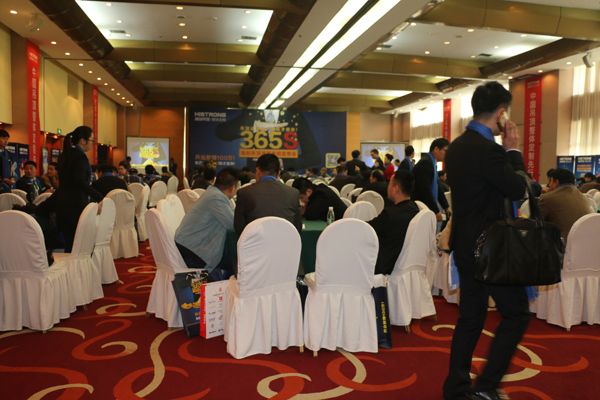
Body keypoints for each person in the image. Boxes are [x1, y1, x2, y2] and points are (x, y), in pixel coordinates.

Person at [443, 81, 528, 400]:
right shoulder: (490, 151)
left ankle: (456, 387)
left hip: (465, 245)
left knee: (471, 317)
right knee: (517, 314)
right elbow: (518, 189)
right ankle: (487, 386)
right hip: (491, 249)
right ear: (501, 113)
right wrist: (513, 151)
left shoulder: (456, 147)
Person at [175, 167, 240, 280]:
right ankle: (203, 287)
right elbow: (232, 224)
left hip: (189, 243)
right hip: (191, 249)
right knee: (234, 259)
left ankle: (220, 283)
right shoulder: (216, 198)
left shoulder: (213, 193)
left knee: (231, 257)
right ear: (233, 187)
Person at [53, 126, 102, 252]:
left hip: (63, 203)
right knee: (78, 246)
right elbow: (80, 182)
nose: (92, 144)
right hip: (75, 205)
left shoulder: (65, 154)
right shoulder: (80, 157)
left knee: (69, 245)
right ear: (83, 141)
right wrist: (98, 196)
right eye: (91, 140)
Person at [234, 153, 301, 235]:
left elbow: (239, 228)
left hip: (254, 242)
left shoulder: (244, 193)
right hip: (285, 241)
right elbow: (297, 228)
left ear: (257, 170)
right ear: (278, 173)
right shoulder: (293, 193)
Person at [368, 169, 420, 275]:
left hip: (385, 267)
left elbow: (367, 229)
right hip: (406, 265)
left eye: (390, 184)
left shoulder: (390, 214)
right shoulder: (416, 210)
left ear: (396, 188)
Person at [539, 168, 594, 240]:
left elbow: (536, 221)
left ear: (556, 182)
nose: (549, 185)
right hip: (587, 241)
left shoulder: (548, 198)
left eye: (550, 181)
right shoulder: (583, 196)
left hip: (564, 244)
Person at [413, 138, 450, 221]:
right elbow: (424, 190)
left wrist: (446, 206)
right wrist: (436, 211)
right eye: (445, 150)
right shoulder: (426, 163)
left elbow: (438, 186)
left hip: (426, 207)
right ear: (436, 149)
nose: (447, 154)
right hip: (421, 209)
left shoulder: (432, 162)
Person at [0, 129, 15, 193]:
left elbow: (12, 169)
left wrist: (12, 178)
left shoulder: (8, 154)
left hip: (7, 186)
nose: (6, 141)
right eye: (3, 138)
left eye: (7, 139)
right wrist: (3, 179)